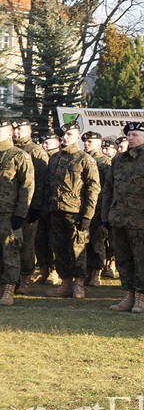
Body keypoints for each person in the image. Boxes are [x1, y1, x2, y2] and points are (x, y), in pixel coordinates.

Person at [102, 122, 144, 313]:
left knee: (141, 260)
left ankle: (140, 298)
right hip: (119, 219)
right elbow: (108, 189)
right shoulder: (118, 160)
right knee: (123, 259)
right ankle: (128, 296)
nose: (131, 138)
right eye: (129, 134)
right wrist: (106, 215)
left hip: (141, 221)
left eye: (135, 135)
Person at [44, 121, 101, 299]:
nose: (65, 137)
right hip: (56, 210)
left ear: (77, 137)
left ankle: (79, 284)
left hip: (76, 212)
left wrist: (88, 215)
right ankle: (66, 283)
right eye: (63, 134)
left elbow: (93, 188)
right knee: (59, 248)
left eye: (69, 134)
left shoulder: (85, 159)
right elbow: (48, 185)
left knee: (77, 248)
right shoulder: (55, 158)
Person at [11, 119, 48, 295]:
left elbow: (40, 181)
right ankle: (11, 278)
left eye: (20, 129)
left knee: (26, 244)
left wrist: (36, 206)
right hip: (10, 205)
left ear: (29, 130)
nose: (17, 132)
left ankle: (25, 278)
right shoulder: (9, 150)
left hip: (28, 206)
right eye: (15, 129)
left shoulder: (36, 151)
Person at [0, 119, 34, 306]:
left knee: (10, 251)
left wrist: (20, 214)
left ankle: (9, 289)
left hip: (9, 213)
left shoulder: (18, 156)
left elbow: (27, 186)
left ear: (7, 133)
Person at [81, 131, 111, 288]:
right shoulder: (81, 159)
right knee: (83, 241)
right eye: (85, 141)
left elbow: (108, 188)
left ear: (99, 143)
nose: (86, 144)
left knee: (97, 242)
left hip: (99, 209)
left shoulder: (105, 162)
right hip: (83, 208)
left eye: (90, 141)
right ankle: (86, 270)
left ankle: (97, 272)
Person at [35, 130, 60, 285]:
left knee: (55, 240)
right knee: (40, 240)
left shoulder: (59, 158)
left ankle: (55, 271)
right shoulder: (39, 158)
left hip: (55, 206)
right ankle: (44, 270)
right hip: (40, 205)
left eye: (48, 142)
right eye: (43, 142)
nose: (45, 145)